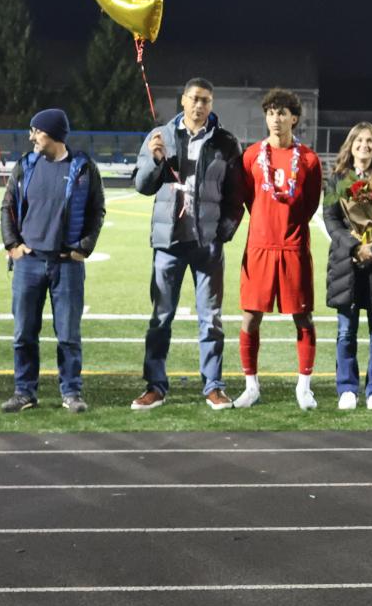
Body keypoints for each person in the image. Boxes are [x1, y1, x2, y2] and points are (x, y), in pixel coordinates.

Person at [131, 78, 245, 411]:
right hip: (168, 242)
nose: (200, 105)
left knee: (211, 319)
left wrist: (224, 230)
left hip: (206, 244)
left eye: (206, 100)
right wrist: (154, 160)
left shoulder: (226, 142)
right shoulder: (160, 136)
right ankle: (155, 386)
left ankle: (213, 386)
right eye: (195, 99)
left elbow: (236, 195)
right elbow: (142, 185)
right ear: (183, 100)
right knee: (160, 318)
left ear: (211, 104)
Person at [0, 108, 102, 413]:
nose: (31, 137)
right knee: (23, 334)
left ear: (53, 133)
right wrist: (13, 246)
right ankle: (24, 392)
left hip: (67, 264)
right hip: (28, 262)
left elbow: (97, 211)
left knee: (69, 335)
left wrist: (84, 247)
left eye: (36, 130)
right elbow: (7, 207)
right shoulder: (25, 165)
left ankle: (71, 392)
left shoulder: (83, 167)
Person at [234, 88, 324, 409]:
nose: (276, 118)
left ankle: (304, 386)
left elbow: (310, 203)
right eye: (271, 112)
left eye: (282, 112)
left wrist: (288, 226)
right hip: (259, 247)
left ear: (294, 118)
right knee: (250, 318)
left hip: (293, 247)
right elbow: (248, 199)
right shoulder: (250, 156)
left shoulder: (310, 160)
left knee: (303, 317)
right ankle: (250, 386)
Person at [322, 122, 372, 410]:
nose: (364, 146)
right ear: (351, 145)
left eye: (370, 141)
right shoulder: (337, 180)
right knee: (345, 330)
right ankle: (347, 388)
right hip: (346, 263)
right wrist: (355, 246)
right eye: (359, 141)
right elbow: (330, 219)